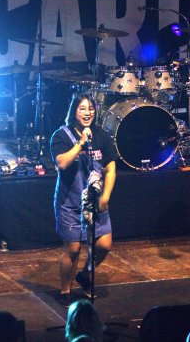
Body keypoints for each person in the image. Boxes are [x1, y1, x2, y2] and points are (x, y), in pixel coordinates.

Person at [51, 93, 117, 307]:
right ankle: (65, 290)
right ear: (74, 111)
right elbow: (62, 163)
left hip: (95, 200)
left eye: (91, 109)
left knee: (104, 245)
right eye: (82, 108)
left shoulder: (102, 136)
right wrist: (80, 143)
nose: (88, 113)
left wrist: (106, 196)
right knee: (72, 249)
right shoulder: (61, 136)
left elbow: (111, 169)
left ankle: (86, 274)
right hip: (70, 202)